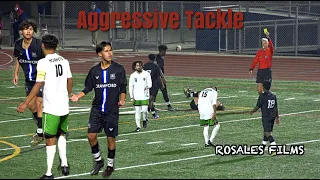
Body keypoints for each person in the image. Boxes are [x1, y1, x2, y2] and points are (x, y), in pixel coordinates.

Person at [17, 34, 73, 179]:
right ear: (56, 46)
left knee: (49, 138)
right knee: (61, 133)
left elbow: (38, 84)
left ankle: (48, 173)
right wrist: (68, 94)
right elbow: (70, 80)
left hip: (51, 106)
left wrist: (25, 102)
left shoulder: (43, 62)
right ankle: (65, 165)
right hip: (64, 104)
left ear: (43, 46)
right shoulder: (64, 60)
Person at [70, 41, 127, 178]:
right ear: (99, 54)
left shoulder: (119, 69)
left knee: (110, 138)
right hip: (97, 109)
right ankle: (98, 161)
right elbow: (88, 87)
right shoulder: (94, 71)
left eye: (110, 50)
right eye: (106, 51)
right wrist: (78, 96)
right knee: (91, 135)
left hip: (112, 110)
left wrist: (122, 99)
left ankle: (110, 165)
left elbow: (123, 87)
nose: (110, 53)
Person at [13, 20, 45, 146]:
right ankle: (45, 127)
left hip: (41, 79)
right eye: (26, 29)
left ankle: (40, 132)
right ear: (22, 31)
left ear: (33, 31)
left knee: (39, 102)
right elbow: (18, 59)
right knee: (32, 106)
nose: (28, 31)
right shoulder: (18, 44)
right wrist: (16, 73)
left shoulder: (38, 45)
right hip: (29, 80)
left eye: (31, 29)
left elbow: (47, 59)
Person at [250, 81, 280, 155]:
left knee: (267, 133)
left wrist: (252, 111)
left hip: (266, 117)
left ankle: (274, 147)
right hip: (272, 116)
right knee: (266, 133)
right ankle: (262, 149)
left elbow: (258, 106)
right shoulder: (273, 95)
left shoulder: (262, 96)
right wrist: (277, 117)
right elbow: (276, 108)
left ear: (263, 87)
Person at [129, 61, 152, 132]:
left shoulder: (147, 74)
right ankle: (138, 126)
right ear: (135, 67)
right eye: (137, 66)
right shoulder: (132, 75)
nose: (139, 67)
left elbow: (150, 83)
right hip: (136, 96)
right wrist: (131, 97)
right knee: (137, 111)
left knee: (144, 110)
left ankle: (145, 119)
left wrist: (147, 87)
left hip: (144, 96)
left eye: (140, 65)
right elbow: (130, 87)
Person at [143, 54, 165, 119]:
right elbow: (159, 76)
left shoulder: (145, 65)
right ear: (155, 59)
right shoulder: (156, 66)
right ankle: (153, 114)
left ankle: (147, 113)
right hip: (153, 84)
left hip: (146, 84)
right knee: (151, 99)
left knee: (147, 99)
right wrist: (162, 84)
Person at [154, 45, 175, 111]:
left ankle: (152, 106)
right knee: (164, 91)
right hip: (159, 78)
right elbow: (159, 69)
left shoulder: (155, 58)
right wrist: (162, 78)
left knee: (154, 92)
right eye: (165, 51)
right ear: (162, 51)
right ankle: (169, 106)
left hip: (154, 78)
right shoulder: (160, 59)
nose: (166, 52)